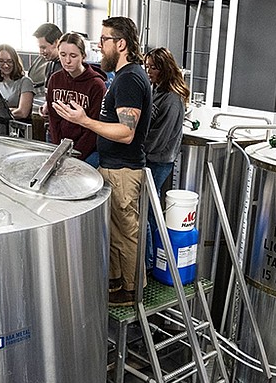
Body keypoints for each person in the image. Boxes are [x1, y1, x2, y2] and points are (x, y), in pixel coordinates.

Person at [55, 17, 151, 306]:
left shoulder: (131, 79)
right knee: (116, 233)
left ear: (120, 44)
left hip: (123, 169)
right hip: (112, 167)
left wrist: (85, 121)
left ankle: (133, 291)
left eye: (105, 40)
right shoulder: (122, 77)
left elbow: (125, 132)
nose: (100, 45)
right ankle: (117, 283)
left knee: (127, 232)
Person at [44, 32, 106, 165]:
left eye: (73, 56)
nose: (67, 61)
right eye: (63, 55)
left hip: (87, 149)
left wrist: (75, 157)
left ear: (83, 56)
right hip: (57, 143)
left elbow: (94, 127)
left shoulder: (96, 85)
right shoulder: (55, 79)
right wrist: (58, 151)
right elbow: (53, 118)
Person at [143, 47, 189, 208]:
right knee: (149, 203)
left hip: (158, 160)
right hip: (151, 157)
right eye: (147, 66)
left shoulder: (172, 98)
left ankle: (155, 234)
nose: (148, 71)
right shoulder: (155, 89)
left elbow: (161, 135)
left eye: (153, 68)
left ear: (165, 68)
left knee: (149, 206)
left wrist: (140, 150)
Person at [0, 45, 34, 120]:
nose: (6, 65)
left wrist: (4, 113)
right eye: (1, 61)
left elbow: (23, 112)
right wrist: (12, 110)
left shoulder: (25, 82)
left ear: (15, 62)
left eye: (9, 61)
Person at [30, 22, 62, 92]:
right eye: (39, 47)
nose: (41, 52)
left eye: (43, 47)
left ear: (57, 42)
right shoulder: (50, 64)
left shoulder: (68, 66)